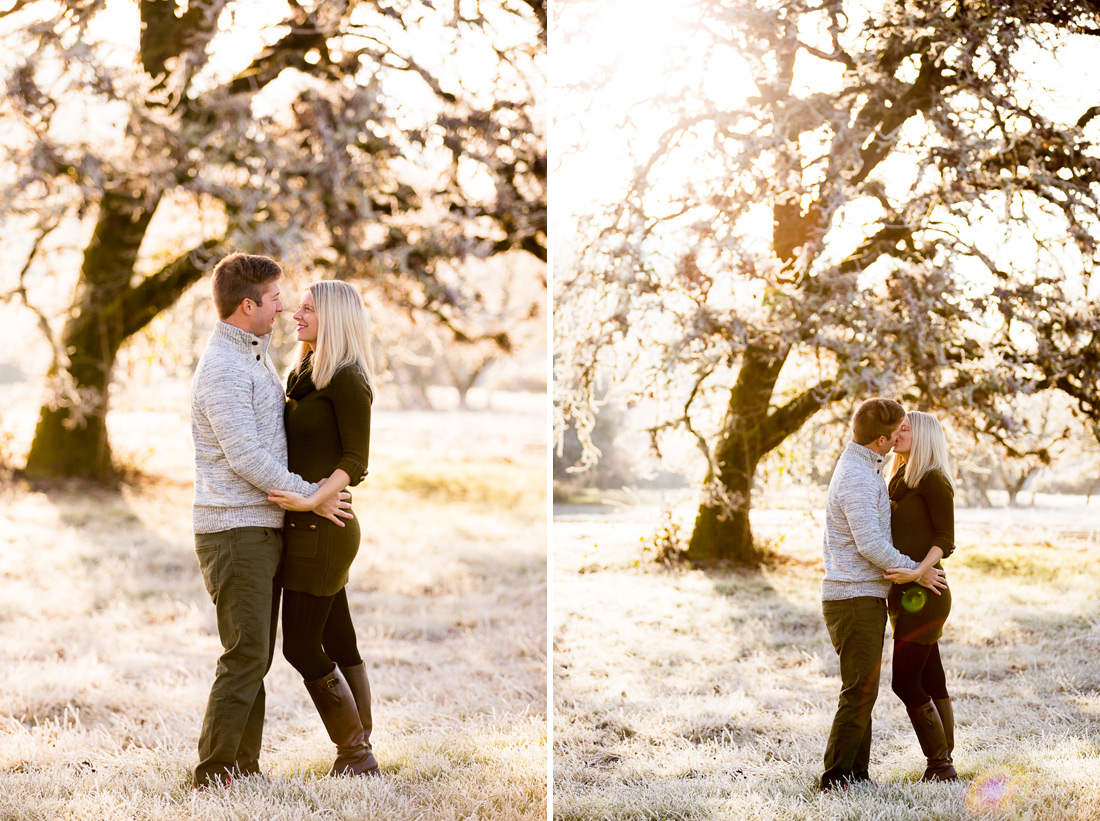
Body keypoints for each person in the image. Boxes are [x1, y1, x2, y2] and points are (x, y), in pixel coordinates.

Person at [190, 253, 351, 789]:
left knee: (254, 654)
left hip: (260, 526)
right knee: (246, 654)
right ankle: (214, 772)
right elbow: (246, 457)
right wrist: (313, 497)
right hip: (234, 530)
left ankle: (244, 766)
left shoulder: (254, 357)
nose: (283, 306)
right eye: (276, 298)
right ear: (247, 305)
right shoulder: (223, 369)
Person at [267, 280, 380, 777]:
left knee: (299, 645)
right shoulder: (304, 372)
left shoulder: (350, 378)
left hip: (326, 527)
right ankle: (363, 748)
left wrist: (313, 498)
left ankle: (356, 755)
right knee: (340, 640)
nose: (296, 313)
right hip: (303, 526)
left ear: (333, 316)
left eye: (308, 308)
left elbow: (357, 460)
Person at [819, 398, 947, 792]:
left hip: (864, 594)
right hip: (853, 596)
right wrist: (916, 573)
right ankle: (837, 778)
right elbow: (871, 544)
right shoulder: (858, 476)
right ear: (879, 439)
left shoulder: (867, 468)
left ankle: (857, 774)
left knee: (864, 688)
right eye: (895, 433)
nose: (898, 439)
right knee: (859, 689)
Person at [882, 411, 959, 781]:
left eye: (905, 428)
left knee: (904, 681)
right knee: (932, 679)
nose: (897, 433)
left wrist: (916, 570)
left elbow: (945, 539)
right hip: (902, 597)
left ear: (924, 436)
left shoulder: (933, 479)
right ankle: (946, 760)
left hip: (926, 594)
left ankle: (940, 764)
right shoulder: (898, 477)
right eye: (896, 427)